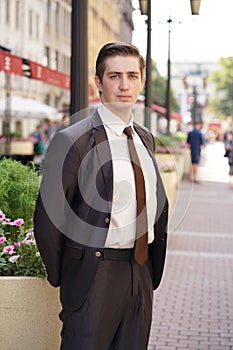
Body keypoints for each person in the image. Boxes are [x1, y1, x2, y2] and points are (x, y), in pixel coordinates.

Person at [34, 42, 168, 350]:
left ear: (142, 82)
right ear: (98, 83)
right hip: (94, 276)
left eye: (132, 76)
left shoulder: (145, 139)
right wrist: (69, 276)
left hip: (140, 272)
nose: (124, 85)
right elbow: (48, 217)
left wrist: (147, 273)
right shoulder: (73, 140)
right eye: (115, 76)